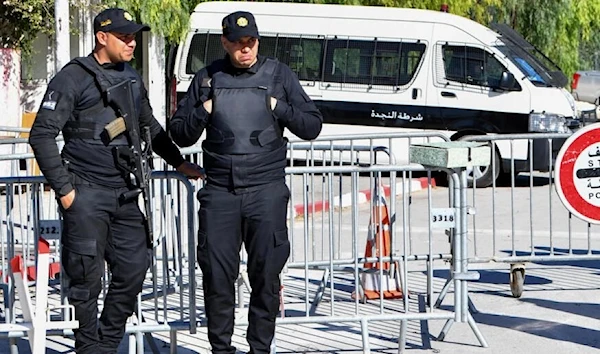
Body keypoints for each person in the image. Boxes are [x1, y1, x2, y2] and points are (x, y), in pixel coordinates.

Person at [28, 8, 205, 354]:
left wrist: (179, 162)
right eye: (123, 36)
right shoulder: (73, 78)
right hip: (86, 192)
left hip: (124, 193)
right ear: (101, 37)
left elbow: (149, 127)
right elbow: (42, 135)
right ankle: (89, 345)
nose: (131, 42)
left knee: (134, 268)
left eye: (133, 36)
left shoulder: (132, 77)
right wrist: (66, 192)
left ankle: (107, 342)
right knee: (86, 278)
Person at [169, 10, 323, 354]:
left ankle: (259, 348)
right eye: (238, 43)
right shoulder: (207, 78)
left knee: (266, 277)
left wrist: (275, 105)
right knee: (217, 277)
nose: (246, 49)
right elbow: (178, 132)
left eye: (251, 41)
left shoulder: (278, 75)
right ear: (225, 42)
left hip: (265, 191)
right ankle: (221, 349)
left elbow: (312, 125)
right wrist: (205, 109)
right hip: (220, 192)